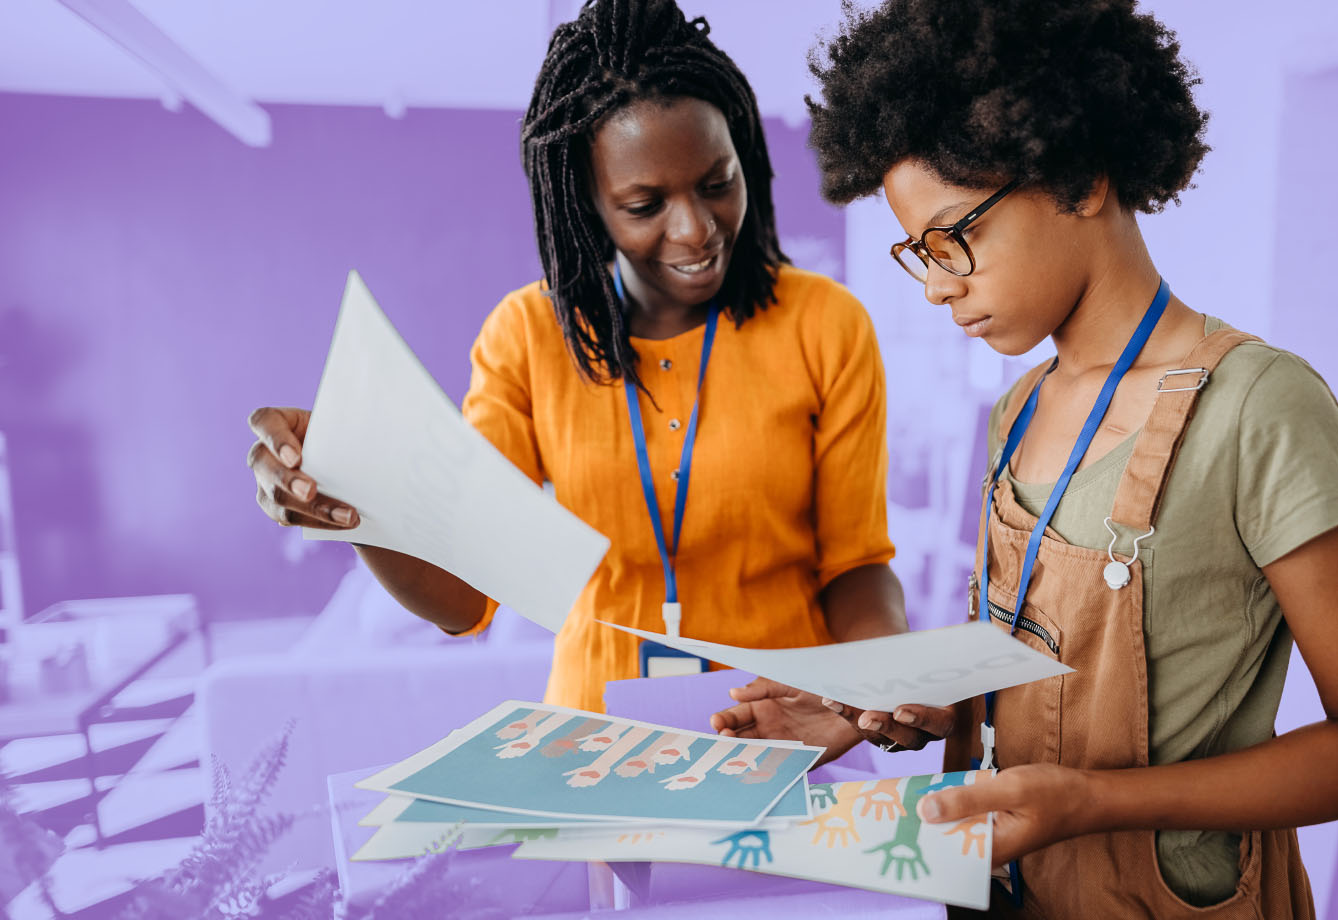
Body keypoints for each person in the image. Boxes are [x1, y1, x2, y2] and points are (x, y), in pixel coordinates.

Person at [712, 1, 1337, 916]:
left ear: (1078, 178)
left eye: (955, 237)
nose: (935, 285)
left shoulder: (1260, 407)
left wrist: (1091, 803)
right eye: (916, 253)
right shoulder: (1019, 407)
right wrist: (881, 707)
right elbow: (1028, 667)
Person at [245, 0, 922, 724]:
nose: (696, 229)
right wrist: (351, 497)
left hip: (792, 729)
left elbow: (855, 566)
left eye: (717, 183)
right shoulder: (527, 336)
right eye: (645, 204)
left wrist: (881, 685)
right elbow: (465, 599)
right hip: (603, 744)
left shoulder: (825, 323)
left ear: (746, 156)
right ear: (589, 205)